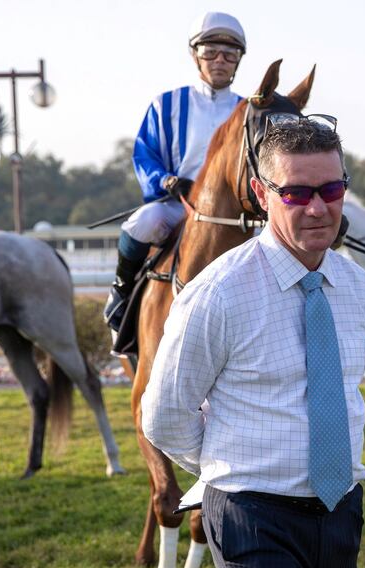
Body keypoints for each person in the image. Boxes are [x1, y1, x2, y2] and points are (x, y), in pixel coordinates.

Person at [141, 116, 365, 568]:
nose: (318, 207)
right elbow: (163, 415)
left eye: (331, 189)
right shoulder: (217, 294)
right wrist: (231, 466)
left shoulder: (359, 288)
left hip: (341, 512)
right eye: (296, 193)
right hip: (253, 514)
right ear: (260, 192)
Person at [103, 11, 247, 331]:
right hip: (176, 204)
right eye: (210, 52)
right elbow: (144, 154)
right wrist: (165, 180)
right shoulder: (165, 105)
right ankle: (122, 292)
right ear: (195, 56)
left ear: (238, 60)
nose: (219, 60)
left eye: (229, 53)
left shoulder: (247, 110)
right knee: (143, 222)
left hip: (232, 214)